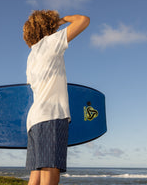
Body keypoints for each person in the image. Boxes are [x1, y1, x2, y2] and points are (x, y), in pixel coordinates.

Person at [23, 10, 90, 185]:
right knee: (50, 173)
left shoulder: (31, 57)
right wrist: (60, 21)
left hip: (33, 121)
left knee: (35, 176)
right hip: (51, 116)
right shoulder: (51, 43)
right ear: (48, 26)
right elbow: (83, 20)